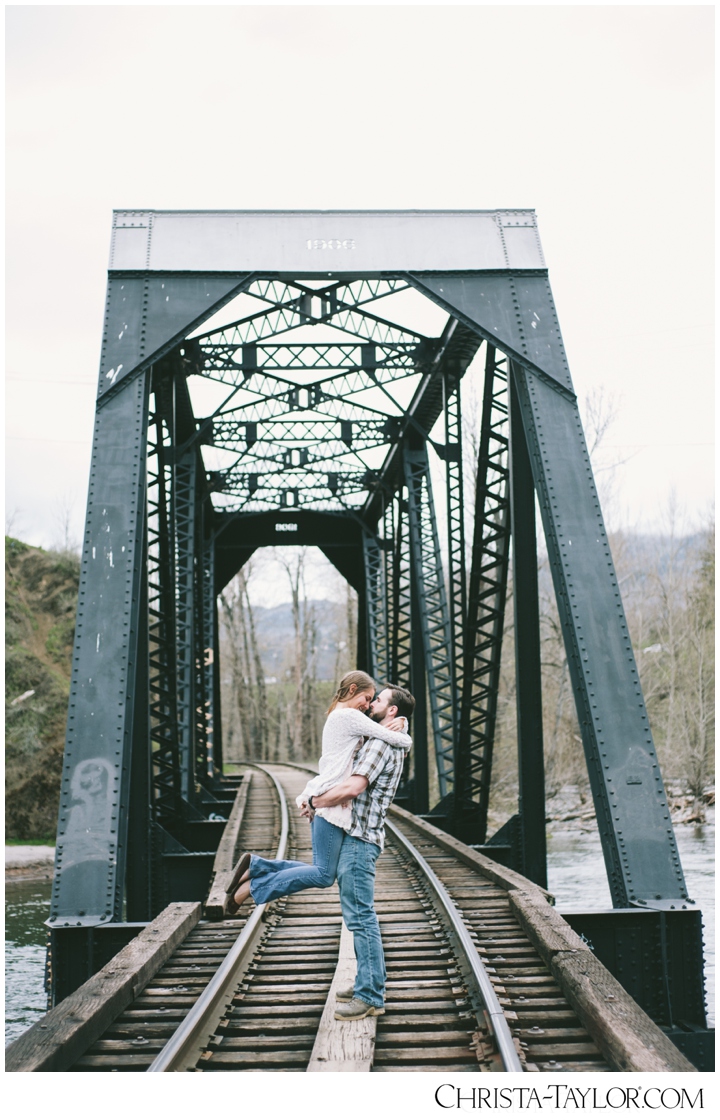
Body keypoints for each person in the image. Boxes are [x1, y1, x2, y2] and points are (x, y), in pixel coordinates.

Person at [224, 671, 411, 915]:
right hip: (330, 801)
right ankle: (251, 887)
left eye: (373, 700)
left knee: (322, 870)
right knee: (323, 874)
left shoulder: (344, 715)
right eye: (367, 698)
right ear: (352, 689)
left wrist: (402, 722)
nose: (368, 705)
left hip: (329, 796)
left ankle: (257, 867)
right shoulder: (349, 716)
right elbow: (396, 739)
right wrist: (404, 726)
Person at [300, 684, 416, 1022]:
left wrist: (315, 802)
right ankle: (368, 982)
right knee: (359, 916)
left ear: (392, 711)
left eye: (378, 700)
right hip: (362, 836)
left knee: (361, 918)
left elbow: (354, 786)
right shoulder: (385, 735)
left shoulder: (380, 743)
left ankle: (369, 996)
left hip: (361, 839)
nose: (372, 703)